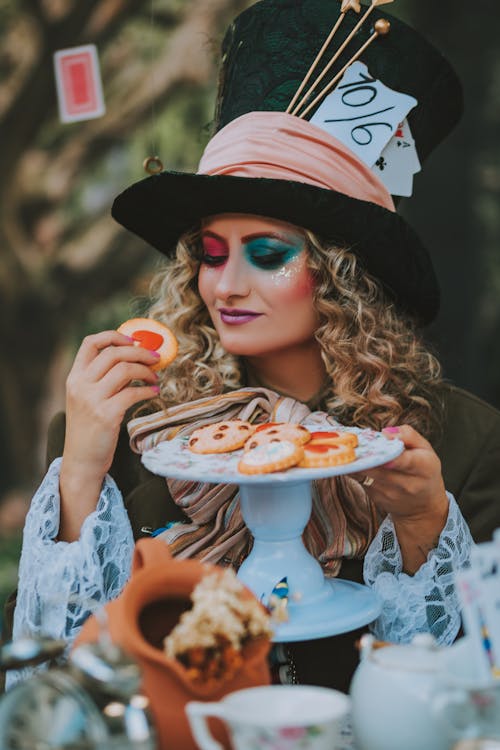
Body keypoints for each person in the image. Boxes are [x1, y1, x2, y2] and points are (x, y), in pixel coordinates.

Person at [6, 0, 500, 693]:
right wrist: (80, 472)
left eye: (267, 254)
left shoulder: (463, 443)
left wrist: (421, 526)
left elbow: (472, 692)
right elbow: (46, 682)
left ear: (342, 278)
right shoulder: (129, 432)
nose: (225, 285)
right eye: (210, 253)